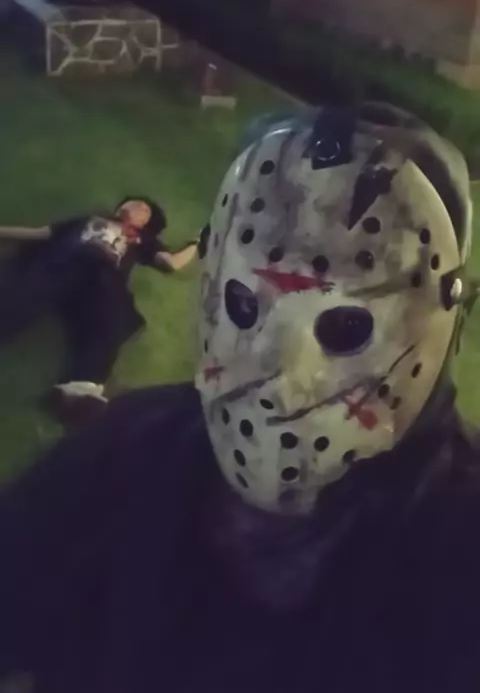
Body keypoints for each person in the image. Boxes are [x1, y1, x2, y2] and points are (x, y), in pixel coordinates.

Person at [1, 103, 480, 693]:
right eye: (244, 306)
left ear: (446, 322)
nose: (282, 381)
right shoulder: (122, 456)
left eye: (345, 328)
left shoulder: (460, 544)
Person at [0, 196, 198, 424]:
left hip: (101, 281)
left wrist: (196, 243)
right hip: (68, 263)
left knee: (114, 313)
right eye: (133, 202)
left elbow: (171, 263)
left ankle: (80, 389)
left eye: (144, 210)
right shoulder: (88, 221)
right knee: (33, 287)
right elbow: (39, 234)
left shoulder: (142, 240)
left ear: (146, 224)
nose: (137, 207)